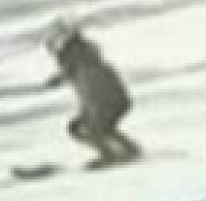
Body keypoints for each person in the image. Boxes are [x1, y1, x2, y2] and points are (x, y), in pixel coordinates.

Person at [44, 19, 141, 167]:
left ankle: (111, 155)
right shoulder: (84, 64)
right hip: (113, 100)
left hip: (107, 101)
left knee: (93, 129)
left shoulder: (83, 65)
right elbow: (88, 93)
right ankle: (130, 150)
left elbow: (96, 94)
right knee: (93, 128)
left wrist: (61, 77)